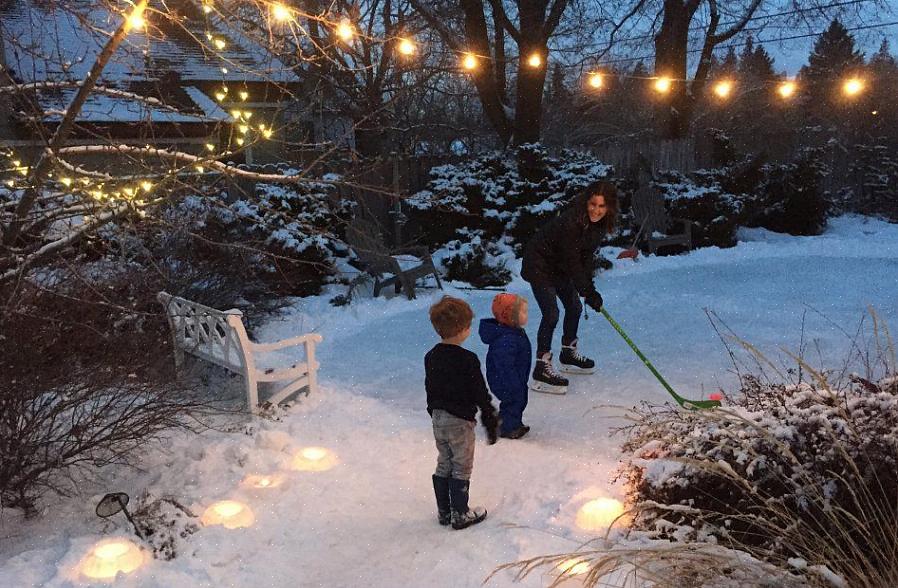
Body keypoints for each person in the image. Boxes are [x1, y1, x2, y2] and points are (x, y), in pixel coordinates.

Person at [520, 180, 619, 394]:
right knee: (551, 313)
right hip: (540, 263)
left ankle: (568, 353)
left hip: (559, 265)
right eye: (593, 204)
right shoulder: (572, 222)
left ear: (609, 207)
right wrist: (587, 291)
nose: (596, 210)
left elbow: (585, 258)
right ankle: (541, 368)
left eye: (602, 206)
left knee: (574, 307)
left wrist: (589, 289)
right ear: (586, 202)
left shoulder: (598, 226)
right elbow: (573, 260)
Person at [425, 296, 499, 530]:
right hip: (460, 419)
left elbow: (430, 387)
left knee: (444, 461)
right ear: (462, 329)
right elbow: (479, 391)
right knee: (461, 464)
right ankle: (460, 513)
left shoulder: (432, 356)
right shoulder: (467, 359)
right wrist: (488, 414)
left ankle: (444, 511)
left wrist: (434, 411)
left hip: (439, 418)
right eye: (468, 325)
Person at [478, 293, 532, 439]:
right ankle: (507, 428)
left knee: (518, 400)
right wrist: (513, 382)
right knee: (513, 401)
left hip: (515, 378)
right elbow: (504, 365)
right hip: (506, 380)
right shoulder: (507, 339)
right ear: (511, 316)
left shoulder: (513, 333)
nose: (527, 315)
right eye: (523, 312)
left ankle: (513, 423)